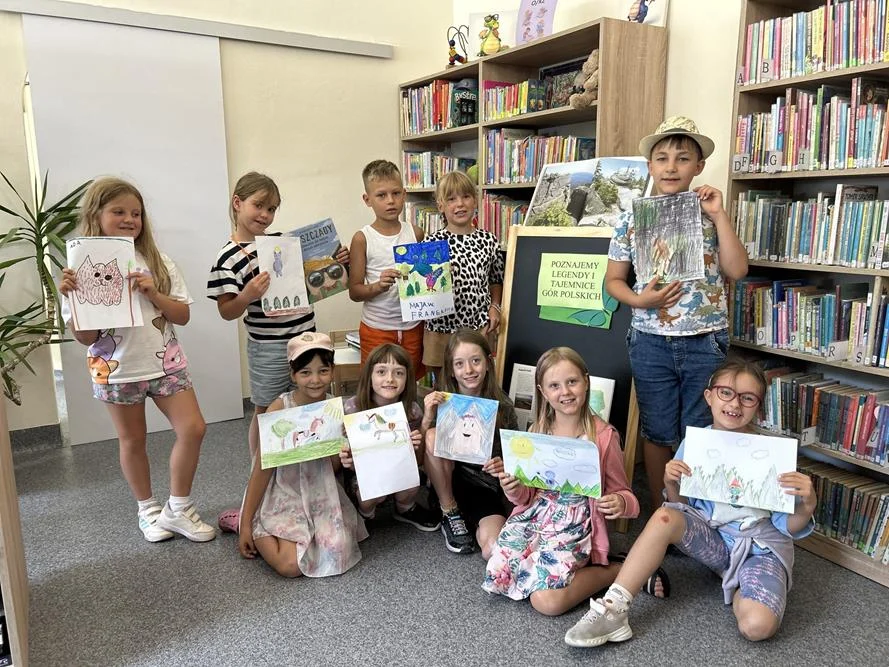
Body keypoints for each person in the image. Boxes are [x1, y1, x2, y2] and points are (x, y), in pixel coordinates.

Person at [564, 359, 817, 646]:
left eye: (747, 398)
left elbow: (788, 527)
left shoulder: (775, 454)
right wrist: (671, 482)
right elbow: (683, 508)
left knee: (756, 627)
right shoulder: (696, 444)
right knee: (664, 516)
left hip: (760, 551)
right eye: (725, 393)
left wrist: (807, 505)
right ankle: (614, 608)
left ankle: (738, 587)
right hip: (715, 542)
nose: (735, 404)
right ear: (709, 397)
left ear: (758, 406)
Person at [59, 177, 214, 543]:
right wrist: (71, 297)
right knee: (132, 440)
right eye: (119, 212)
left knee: (193, 428)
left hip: (166, 364)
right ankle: (148, 509)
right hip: (116, 370)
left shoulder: (158, 262)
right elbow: (84, 339)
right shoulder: (78, 271)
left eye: (136, 213)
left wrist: (153, 291)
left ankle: (179, 508)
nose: (130, 219)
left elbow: (182, 316)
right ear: (96, 215)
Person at [605, 116, 749, 511]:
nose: (671, 167)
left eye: (683, 159)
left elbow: (737, 271)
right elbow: (614, 281)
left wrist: (719, 215)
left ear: (698, 166)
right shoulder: (633, 217)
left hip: (705, 339)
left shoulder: (709, 212)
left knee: (702, 430)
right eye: (662, 158)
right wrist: (640, 301)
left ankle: (698, 514)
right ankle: (664, 509)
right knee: (658, 430)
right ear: (649, 166)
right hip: (651, 337)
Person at [482, 347, 643, 616]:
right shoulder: (537, 431)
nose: (565, 392)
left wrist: (620, 502)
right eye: (554, 386)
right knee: (498, 563)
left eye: (572, 382)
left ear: (586, 381)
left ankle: (615, 569)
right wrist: (513, 488)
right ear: (543, 392)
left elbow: (628, 496)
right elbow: (526, 497)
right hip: (535, 519)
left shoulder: (604, 437)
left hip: (576, 526)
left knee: (546, 602)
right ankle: (546, 570)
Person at [207, 172, 350, 458]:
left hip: (306, 337)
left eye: (271, 209)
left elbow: (312, 280)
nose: (265, 214)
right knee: (267, 410)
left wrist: (337, 261)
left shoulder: (284, 243)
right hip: (268, 348)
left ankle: (310, 467)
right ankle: (260, 472)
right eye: (258, 205)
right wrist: (247, 295)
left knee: (310, 402)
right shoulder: (227, 257)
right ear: (238, 203)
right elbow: (226, 310)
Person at [237, 332, 368, 578]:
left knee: (337, 549)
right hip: (284, 489)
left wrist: (341, 453)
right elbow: (262, 468)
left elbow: (334, 467)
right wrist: (246, 524)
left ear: (332, 370)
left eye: (323, 371)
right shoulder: (280, 407)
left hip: (321, 489)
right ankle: (253, 525)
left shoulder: (333, 408)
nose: (315, 380)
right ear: (292, 374)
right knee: (289, 566)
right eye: (305, 372)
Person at [422, 330, 518, 555]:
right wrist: (427, 418)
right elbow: (418, 457)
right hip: (446, 480)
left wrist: (501, 464)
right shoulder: (441, 401)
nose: (469, 370)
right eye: (459, 364)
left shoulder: (502, 404)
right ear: (452, 371)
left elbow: (514, 456)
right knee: (432, 435)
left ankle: (470, 523)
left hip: (483, 486)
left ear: (487, 363)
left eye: (476, 361)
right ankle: (450, 511)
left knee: (493, 547)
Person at [339, 343, 439, 530]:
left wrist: (416, 443)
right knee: (369, 495)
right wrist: (349, 460)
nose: (390, 379)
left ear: (407, 378)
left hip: (398, 469)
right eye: (381, 372)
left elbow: (416, 462)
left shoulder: (412, 410)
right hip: (365, 475)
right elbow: (351, 461)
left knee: (411, 484)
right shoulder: (352, 408)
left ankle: (405, 508)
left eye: (399, 373)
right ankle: (366, 514)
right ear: (369, 376)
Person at [422, 170, 504, 377]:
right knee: (443, 389)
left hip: (478, 328)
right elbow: (423, 287)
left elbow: (496, 278)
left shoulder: (488, 240)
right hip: (440, 331)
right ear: (440, 206)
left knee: (476, 383)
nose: (460, 204)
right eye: (451, 199)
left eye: (466, 196)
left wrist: (495, 306)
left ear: (475, 201)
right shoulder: (431, 244)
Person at [348, 160, 426, 376]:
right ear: (367, 200)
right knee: (377, 385)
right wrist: (378, 286)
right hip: (377, 327)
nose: (391, 201)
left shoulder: (416, 233)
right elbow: (354, 292)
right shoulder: (362, 238)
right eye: (381, 195)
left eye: (396, 193)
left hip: (413, 326)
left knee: (409, 381)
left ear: (405, 194)